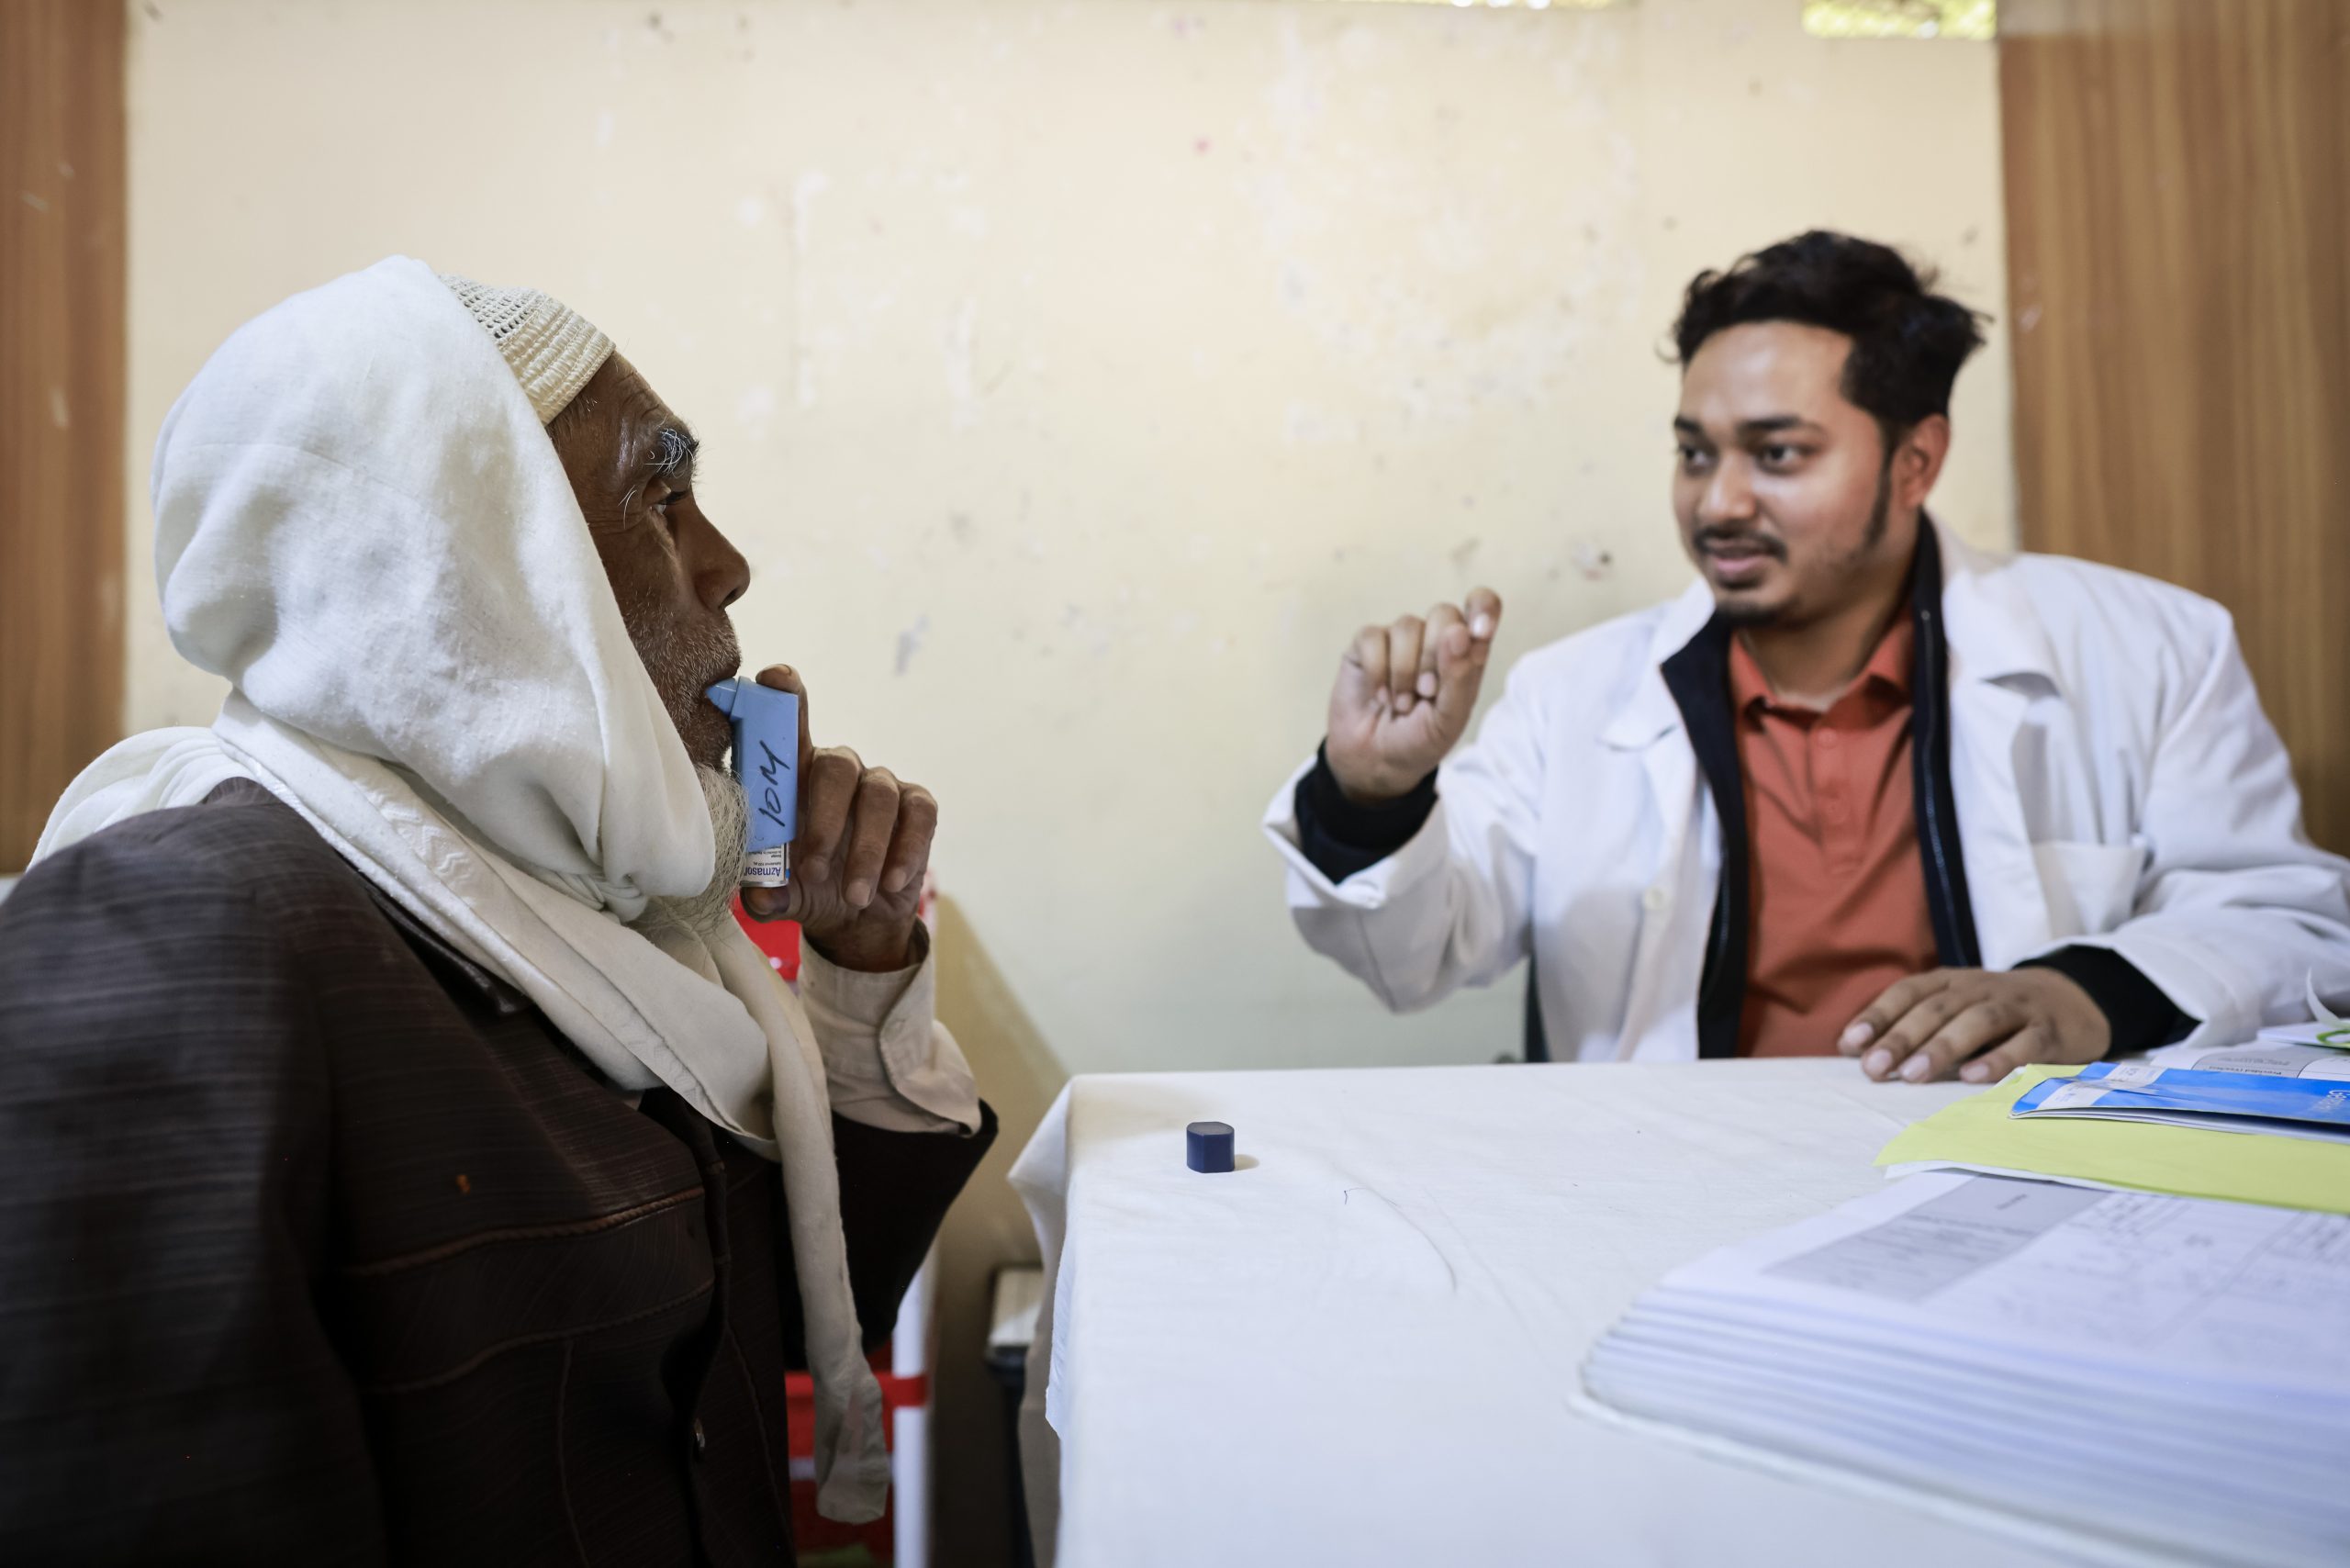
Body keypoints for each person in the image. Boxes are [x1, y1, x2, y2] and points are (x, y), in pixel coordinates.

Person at [0, 260, 993, 1562]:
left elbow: (793, 1313)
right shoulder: (181, 935)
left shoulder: (604, 910)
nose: (728, 566)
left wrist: (858, 957)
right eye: (663, 499)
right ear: (462, 562)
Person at [1265, 230, 2350, 1079]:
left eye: (1777, 454)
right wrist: (1372, 795)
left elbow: (2292, 923)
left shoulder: (2149, 648)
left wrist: (2083, 994)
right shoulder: (1573, 695)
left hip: (2004, 1176)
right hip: (1668, 1191)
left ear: (1915, 461)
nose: (1718, 502)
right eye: (1694, 453)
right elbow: (1411, 955)